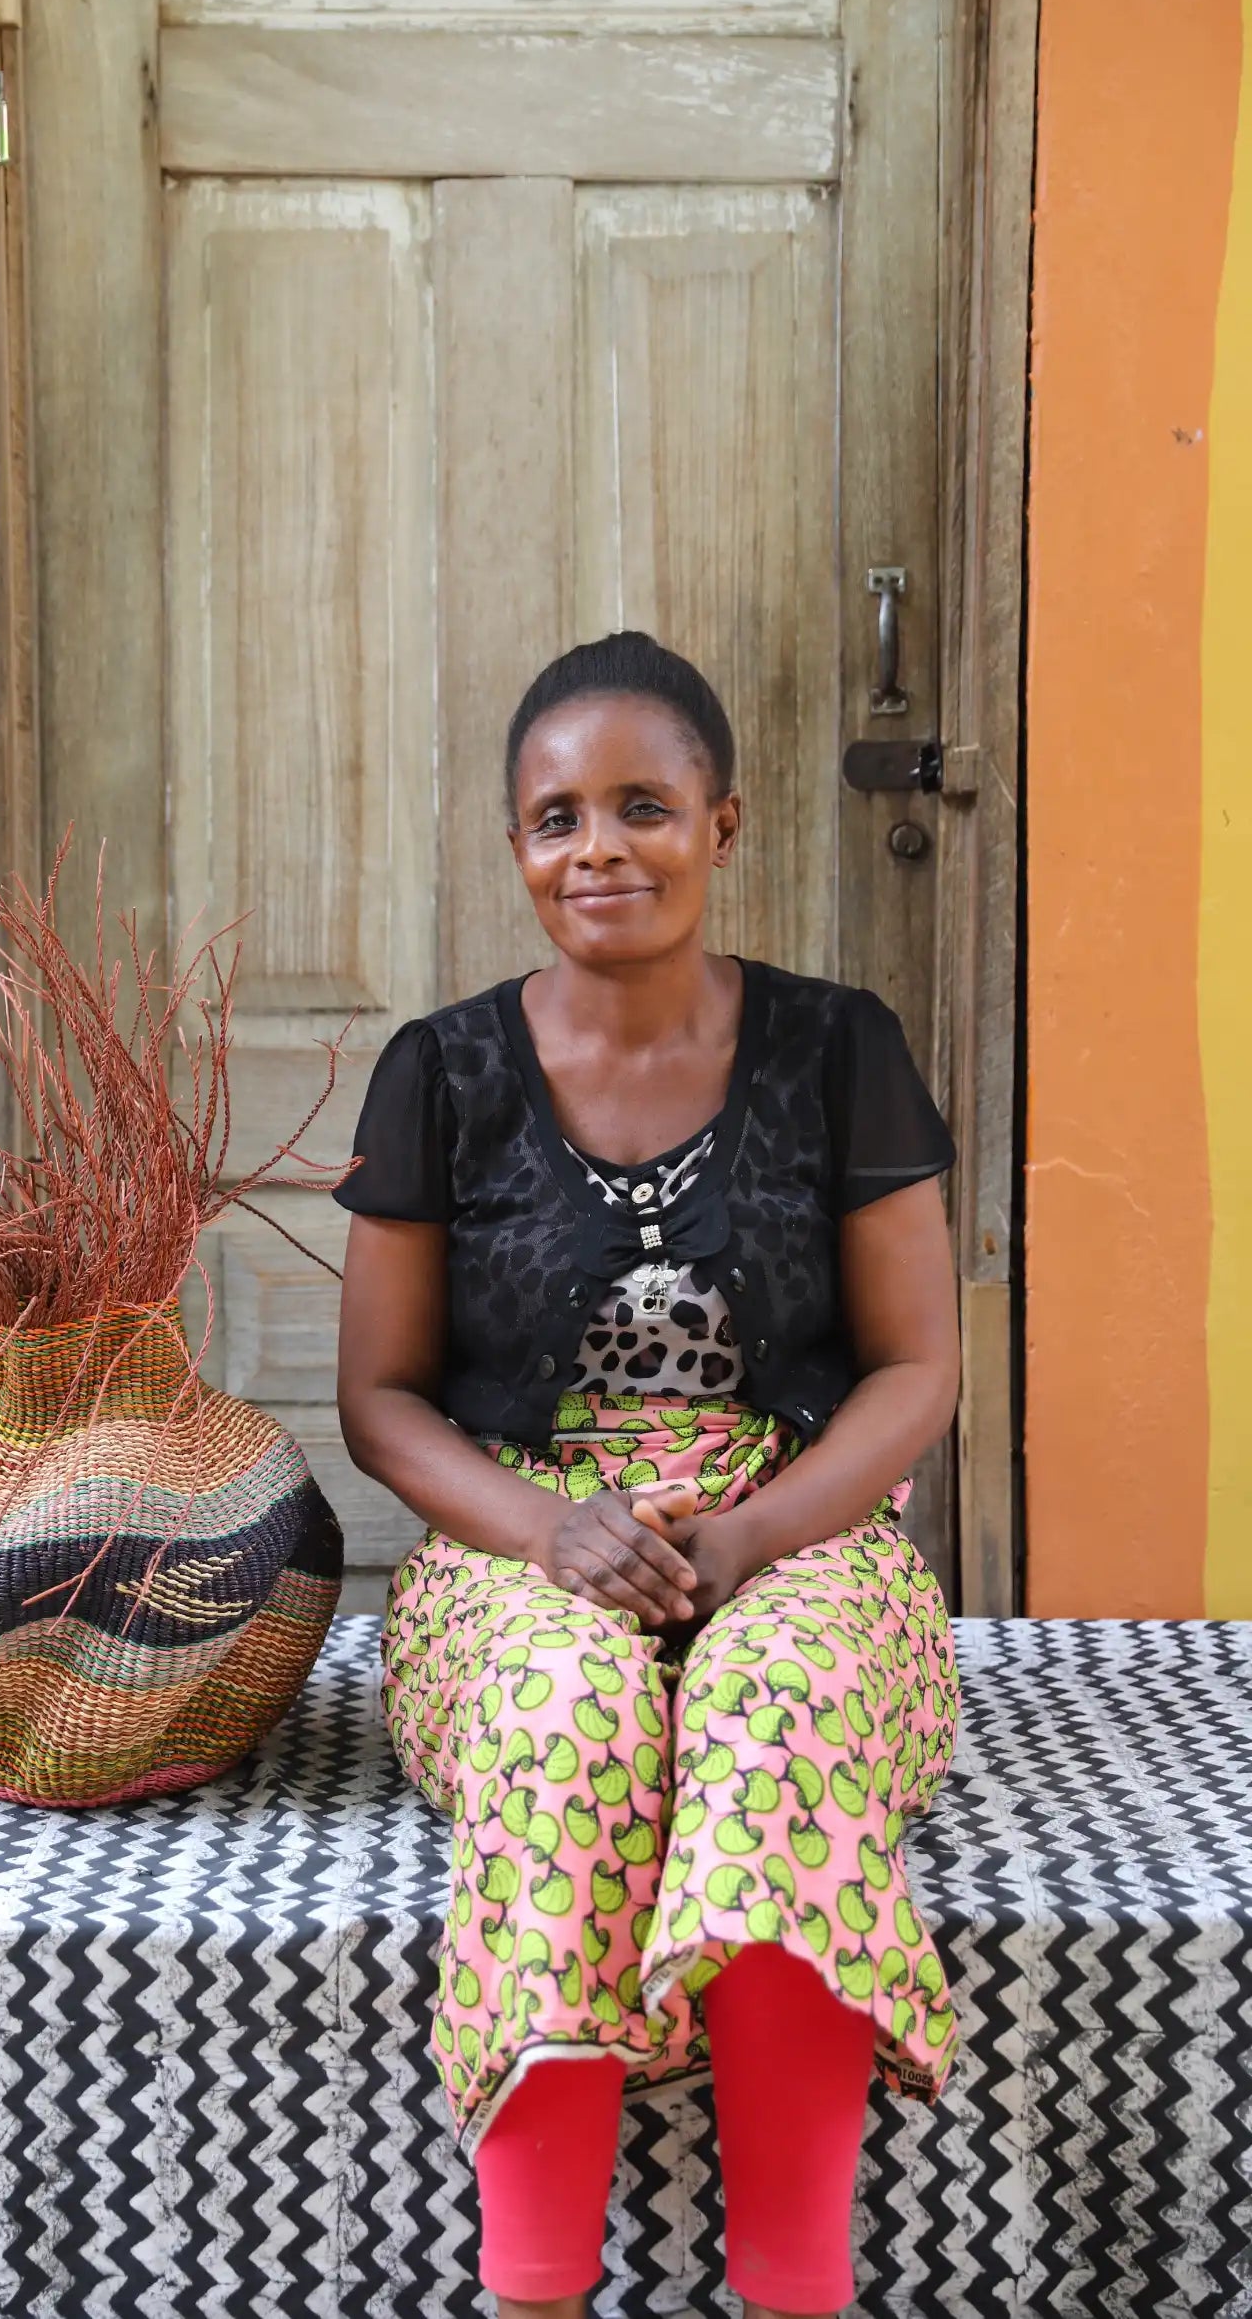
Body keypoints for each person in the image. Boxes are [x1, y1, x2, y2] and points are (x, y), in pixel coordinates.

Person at [333, 631, 962, 2319]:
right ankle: (535, 2289)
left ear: (725, 822)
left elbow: (919, 1365)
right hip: (516, 1533)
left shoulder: (840, 1050)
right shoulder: (443, 1073)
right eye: (555, 818)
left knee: (774, 1716)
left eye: (641, 806)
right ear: (519, 849)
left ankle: (793, 2288)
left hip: (802, 1515)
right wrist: (552, 1531)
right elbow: (383, 1403)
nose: (597, 846)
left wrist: (759, 1532)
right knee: (570, 1720)